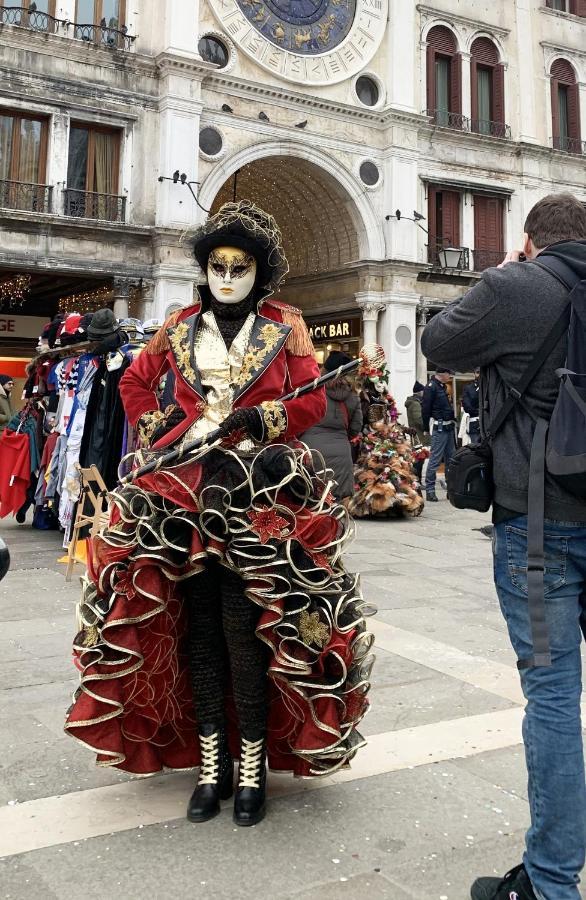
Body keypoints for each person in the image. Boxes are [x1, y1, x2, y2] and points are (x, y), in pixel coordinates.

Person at [65, 200, 373, 828]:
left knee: (247, 630)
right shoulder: (176, 326)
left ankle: (253, 766)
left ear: (260, 272)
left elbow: (311, 398)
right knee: (197, 628)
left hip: (260, 489)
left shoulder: (286, 325)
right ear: (204, 270)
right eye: (217, 265)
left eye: (240, 266)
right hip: (179, 489)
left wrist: (261, 418)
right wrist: (162, 430)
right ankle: (213, 767)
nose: (227, 276)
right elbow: (134, 384)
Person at [422, 192, 586, 900]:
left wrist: (511, 272)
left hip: (540, 529)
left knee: (552, 698)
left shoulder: (515, 285)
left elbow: (438, 343)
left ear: (530, 240)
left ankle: (550, 884)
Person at [301, 350, 363, 504]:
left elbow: (299, 419)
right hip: (342, 453)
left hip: (312, 451)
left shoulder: (312, 390)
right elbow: (356, 427)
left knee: (311, 501)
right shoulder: (353, 395)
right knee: (338, 503)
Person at [421, 367, 456, 502]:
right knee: (435, 459)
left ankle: (451, 489)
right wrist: (425, 427)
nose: (450, 376)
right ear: (442, 374)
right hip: (439, 428)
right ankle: (430, 490)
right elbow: (425, 409)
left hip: (448, 427)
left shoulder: (441, 386)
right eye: (449, 374)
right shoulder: (431, 387)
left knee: (451, 459)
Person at [405, 380, 429, 482]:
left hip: (417, 435)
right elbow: (419, 420)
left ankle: (416, 480)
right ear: (420, 392)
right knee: (419, 460)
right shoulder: (416, 404)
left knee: (419, 459)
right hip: (418, 436)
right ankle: (416, 481)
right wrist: (428, 426)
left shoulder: (415, 403)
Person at [461, 368, 481, 444]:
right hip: (475, 422)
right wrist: (480, 412)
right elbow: (467, 406)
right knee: (476, 448)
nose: (479, 375)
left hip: (488, 422)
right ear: (474, 374)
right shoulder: (468, 388)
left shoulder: (489, 387)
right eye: (478, 372)